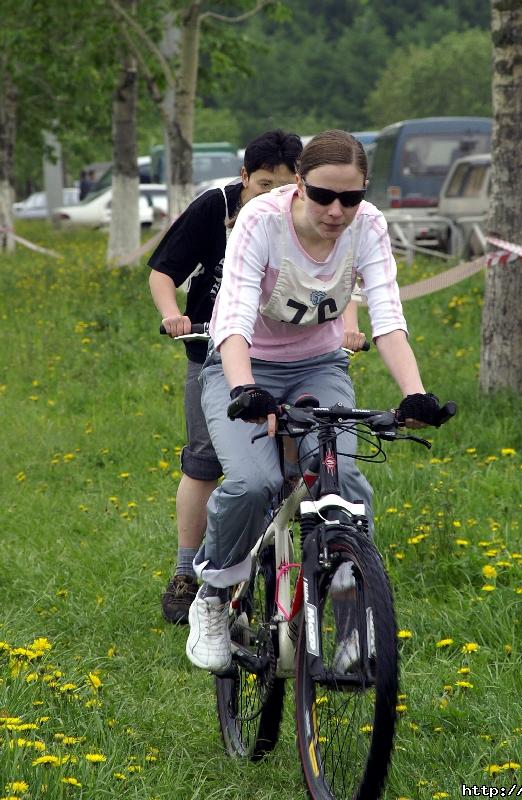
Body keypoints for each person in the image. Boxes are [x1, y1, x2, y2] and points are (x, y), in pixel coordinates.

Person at [185, 129, 447, 673]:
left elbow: (388, 317)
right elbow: (231, 316)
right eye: (324, 195)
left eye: (350, 198)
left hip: (319, 364)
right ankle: (211, 597)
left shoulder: (368, 226)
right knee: (253, 482)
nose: (337, 210)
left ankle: (355, 626)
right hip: (242, 364)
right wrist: (242, 388)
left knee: (343, 480)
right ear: (299, 184)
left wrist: (414, 393)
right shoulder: (262, 221)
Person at [148, 130, 304, 624]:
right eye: (263, 184)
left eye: (285, 185)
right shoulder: (212, 209)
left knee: (295, 460)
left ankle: (288, 563)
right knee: (205, 460)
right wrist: (175, 314)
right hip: (214, 349)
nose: (274, 195)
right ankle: (186, 571)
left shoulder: (305, 216)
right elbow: (163, 272)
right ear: (242, 178)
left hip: (284, 352)